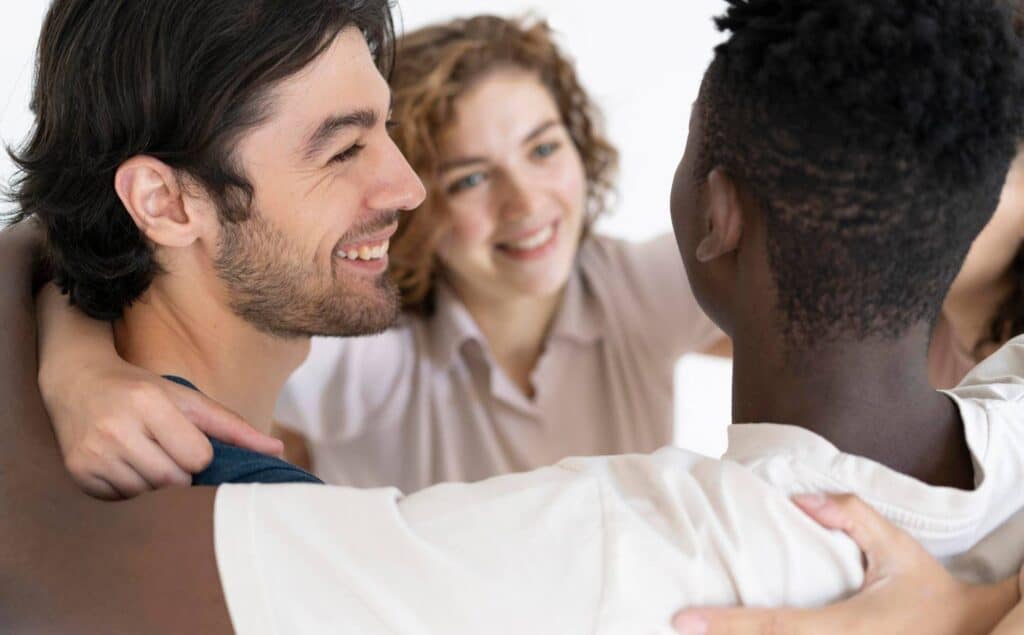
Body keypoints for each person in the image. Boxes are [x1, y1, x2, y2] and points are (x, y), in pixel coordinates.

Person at [4, 0, 1024, 632]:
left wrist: (64, 326)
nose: (407, 186)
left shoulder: (606, 527)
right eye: (345, 147)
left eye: (385, 134)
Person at [32, 15, 725, 496]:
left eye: (544, 148)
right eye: (469, 179)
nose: (526, 204)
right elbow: (84, 248)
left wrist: (75, 363)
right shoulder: (363, 348)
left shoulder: (628, 285)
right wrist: (79, 365)